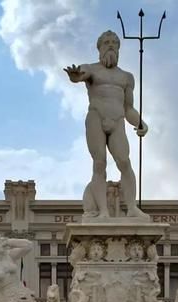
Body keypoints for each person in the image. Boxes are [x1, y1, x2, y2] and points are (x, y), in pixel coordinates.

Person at [64, 30, 148, 219]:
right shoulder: (91, 69)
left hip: (117, 120)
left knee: (124, 162)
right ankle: (103, 211)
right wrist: (75, 76)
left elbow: (129, 109)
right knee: (99, 163)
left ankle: (132, 207)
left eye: (114, 43)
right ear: (99, 48)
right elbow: (80, 75)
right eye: (106, 42)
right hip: (96, 118)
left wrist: (140, 122)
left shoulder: (127, 77)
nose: (110, 45)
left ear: (118, 48)